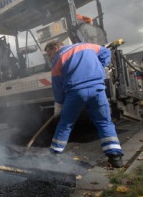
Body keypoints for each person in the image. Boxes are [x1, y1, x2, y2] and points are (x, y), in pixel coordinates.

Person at [44, 40, 124, 168]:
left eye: (49, 53)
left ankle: (54, 155)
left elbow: (57, 86)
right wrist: (98, 66)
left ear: (56, 47)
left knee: (66, 124)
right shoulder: (87, 46)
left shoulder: (59, 59)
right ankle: (115, 157)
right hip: (97, 90)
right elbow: (106, 52)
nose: (50, 57)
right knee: (104, 122)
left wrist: (58, 105)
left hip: (75, 93)